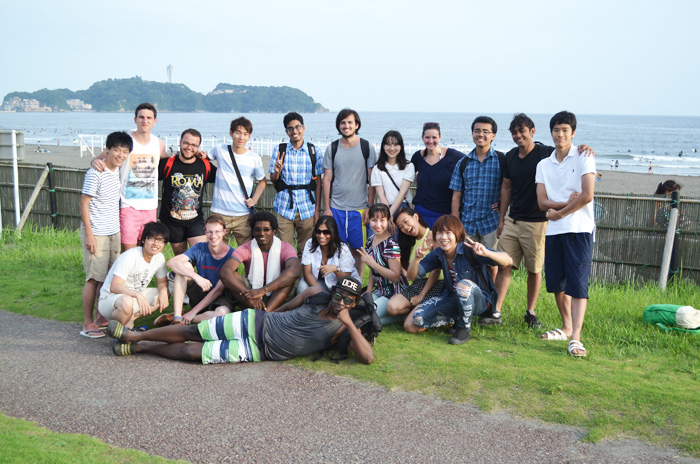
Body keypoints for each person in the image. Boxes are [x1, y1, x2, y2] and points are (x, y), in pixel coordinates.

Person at [106, 277, 374, 365]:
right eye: (339, 294)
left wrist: (349, 322)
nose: (340, 301)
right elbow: (287, 306)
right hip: (254, 323)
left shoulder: (345, 326)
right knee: (194, 331)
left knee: (192, 351)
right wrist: (264, 316)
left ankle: (142, 348)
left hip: (260, 350)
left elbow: (368, 359)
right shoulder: (317, 294)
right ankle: (132, 336)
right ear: (333, 291)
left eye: (348, 299)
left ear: (353, 303)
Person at [494, 113, 594, 328]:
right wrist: (502, 218)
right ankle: (496, 310)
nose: (518, 135)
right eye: (514, 132)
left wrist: (583, 148)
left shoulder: (544, 153)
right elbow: (507, 187)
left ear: (533, 131)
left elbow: (568, 153)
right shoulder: (512, 157)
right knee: (504, 265)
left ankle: (531, 312)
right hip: (514, 219)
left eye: (522, 131)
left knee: (535, 269)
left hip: (539, 223)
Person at [535, 111, 596, 357]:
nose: (560, 134)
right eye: (556, 130)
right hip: (555, 232)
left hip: (579, 229)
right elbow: (541, 202)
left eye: (565, 130)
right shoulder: (543, 164)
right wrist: (564, 205)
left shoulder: (584, 156)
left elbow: (587, 195)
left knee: (578, 284)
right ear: (551, 133)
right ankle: (566, 326)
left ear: (573, 133)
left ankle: (576, 338)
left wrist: (558, 212)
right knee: (557, 283)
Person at [404, 215, 513, 345]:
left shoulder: (470, 249)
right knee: (412, 323)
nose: (443, 237)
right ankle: (454, 317)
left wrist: (487, 253)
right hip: (453, 298)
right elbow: (411, 276)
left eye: (448, 233)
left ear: (457, 234)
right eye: (439, 233)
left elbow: (508, 260)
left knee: (463, 285)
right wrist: (416, 259)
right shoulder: (438, 254)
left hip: (480, 302)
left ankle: (463, 328)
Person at [91, 103, 169, 252]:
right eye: (141, 117)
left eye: (148, 118)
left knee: (146, 248)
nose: (144, 121)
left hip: (150, 207)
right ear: (135, 119)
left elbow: (171, 159)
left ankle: (141, 276)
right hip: (128, 205)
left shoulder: (158, 143)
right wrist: (95, 161)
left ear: (155, 121)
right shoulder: (127, 141)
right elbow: (102, 158)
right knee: (129, 250)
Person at [79, 131, 132, 338]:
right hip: (97, 232)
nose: (120, 154)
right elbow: (84, 203)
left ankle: (101, 317)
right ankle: (88, 323)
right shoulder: (95, 173)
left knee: (108, 277)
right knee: (93, 277)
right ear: (107, 149)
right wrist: (90, 235)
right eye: (116, 149)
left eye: (125, 151)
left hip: (113, 231)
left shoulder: (117, 171)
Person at [322, 109, 377, 276]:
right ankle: (337, 284)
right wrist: (326, 207)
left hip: (359, 209)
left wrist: (369, 206)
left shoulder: (366, 147)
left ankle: (357, 283)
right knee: (335, 248)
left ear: (357, 125)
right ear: (339, 126)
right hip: (336, 207)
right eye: (343, 123)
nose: (346, 126)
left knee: (358, 250)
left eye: (350, 122)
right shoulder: (332, 148)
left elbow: (372, 180)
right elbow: (327, 179)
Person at [157, 214, 235, 326]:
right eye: (210, 231)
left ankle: (186, 319)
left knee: (221, 314)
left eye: (217, 231)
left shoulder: (231, 254)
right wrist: (196, 277)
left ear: (224, 232)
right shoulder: (200, 247)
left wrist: (193, 312)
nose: (213, 236)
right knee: (184, 267)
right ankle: (177, 318)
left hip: (221, 297)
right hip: (201, 291)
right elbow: (171, 262)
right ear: (205, 232)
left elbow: (218, 291)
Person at [219, 211, 301, 312]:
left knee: (288, 278)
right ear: (253, 232)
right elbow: (224, 272)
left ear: (274, 231)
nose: (262, 233)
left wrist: (262, 291)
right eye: (257, 230)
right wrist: (250, 295)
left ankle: (266, 312)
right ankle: (257, 309)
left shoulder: (285, 248)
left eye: (266, 229)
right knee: (232, 278)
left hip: (277, 295)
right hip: (252, 293)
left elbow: (295, 270)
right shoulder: (246, 248)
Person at [269, 112, 324, 257]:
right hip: (285, 205)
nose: (295, 131)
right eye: (290, 128)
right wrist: (277, 172)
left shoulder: (314, 151)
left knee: (306, 249)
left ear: (303, 128)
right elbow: (273, 178)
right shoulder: (280, 150)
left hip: (307, 206)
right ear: (286, 132)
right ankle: (287, 279)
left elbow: (318, 181)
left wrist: (317, 209)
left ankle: (302, 279)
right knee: (283, 249)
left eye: (298, 127)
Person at [97, 222, 170, 329]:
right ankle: (124, 330)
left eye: (160, 240)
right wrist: (138, 295)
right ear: (144, 240)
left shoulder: (159, 258)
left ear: (164, 244)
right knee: (127, 302)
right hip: (110, 299)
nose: (155, 243)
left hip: (133, 297)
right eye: (152, 239)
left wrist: (163, 291)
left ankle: (130, 319)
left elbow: (162, 282)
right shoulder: (130, 257)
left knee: (165, 294)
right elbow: (115, 286)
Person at [207, 117, 266, 246]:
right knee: (218, 251)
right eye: (238, 132)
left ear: (249, 136)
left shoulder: (254, 158)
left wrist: (254, 200)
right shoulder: (220, 149)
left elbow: (262, 181)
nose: (241, 137)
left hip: (243, 215)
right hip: (219, 213)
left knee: (246, 253)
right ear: (231, 133)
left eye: (245, 134)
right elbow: (204, 159)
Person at [158, 128, 216, 255]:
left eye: (194, 145)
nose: (189, 147)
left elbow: (225, 177)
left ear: (199, 147)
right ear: (180, 142)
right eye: (186, 143)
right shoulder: (167, 164)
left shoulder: (204, 165)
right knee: (182, 259)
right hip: (172, 221)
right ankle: (179, 275)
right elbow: (146, 176)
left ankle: (196, 275)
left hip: (195, 220)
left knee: (202, 255)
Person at [450, 116, 503, 250]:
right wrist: (455, 222)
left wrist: (504, 203)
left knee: (492, 263)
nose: (481, 134)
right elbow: (456, 196)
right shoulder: (463, 163)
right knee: (467, 262)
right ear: (472, 133)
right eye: (477, 130)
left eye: (486, 131)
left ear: (493, 135)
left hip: (492, 223)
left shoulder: (502, 160)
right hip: (467, 224)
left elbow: (510, 187)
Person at [385, 207, 445, 321]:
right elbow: (410, 276)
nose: (406, 228)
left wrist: (421, 296)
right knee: (392, 307)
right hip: (418, 283)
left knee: (413, 321)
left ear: (416, 217)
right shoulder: (409, 243)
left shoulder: (433, 237)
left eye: (406, 222)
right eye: (401, 227)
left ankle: (424, 312)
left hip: (436, 284)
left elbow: (436, 271)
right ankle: (413, 311)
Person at [355, 204, 408, 325]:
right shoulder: (370, 240)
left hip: (395, 291)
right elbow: (373, 272)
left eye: (382, 220)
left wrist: (373, 264)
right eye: (374, 220)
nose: (378, 225)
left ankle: (401, 316)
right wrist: (368, 291)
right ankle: (377, 320)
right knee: (359, 310)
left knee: (368, 316)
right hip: (380, 289)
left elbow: (395, 277)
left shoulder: (391, 244)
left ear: (389, 221)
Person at [410, 122, 465, 228]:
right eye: (427, 137)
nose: (431, 141)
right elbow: (408, 176)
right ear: (422, 138)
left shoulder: (453, 156)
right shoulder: (417, 157)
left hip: (445, 216)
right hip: (421, 214)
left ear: (440, 137)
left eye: (434, 137)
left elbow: (471, 166)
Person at [298, 215, 360, 293]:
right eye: (318, 231)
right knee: (302, 285)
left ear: (333, 233)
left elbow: (346, 281)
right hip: (321, 285)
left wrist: (336, 269)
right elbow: (307, 273)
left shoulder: (343, 249)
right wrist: (320, 292)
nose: (321, 236)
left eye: (326, 232)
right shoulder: (310, 244)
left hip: (342, 288)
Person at [371, 131, 415, 217]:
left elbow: (402, 193)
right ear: (383, 146)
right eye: (388, 144)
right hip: (384, 209)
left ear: (401, 147)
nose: (392, 148)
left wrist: (390, 212)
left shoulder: (409, 166)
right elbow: (381, 196)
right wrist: (388, 214)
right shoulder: (377, 168)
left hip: (403, 208)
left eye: (395, 145)